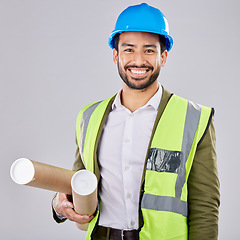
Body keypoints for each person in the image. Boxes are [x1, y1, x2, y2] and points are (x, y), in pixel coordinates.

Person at [52, 3, 220, 240]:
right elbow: (79, 184)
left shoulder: (194, 118)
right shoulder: (89, 117)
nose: (138, 60)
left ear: (164, 56)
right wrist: (58, 206)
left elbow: (205, 206)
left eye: (149, 50)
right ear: (115, 56)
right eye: (129, 50)